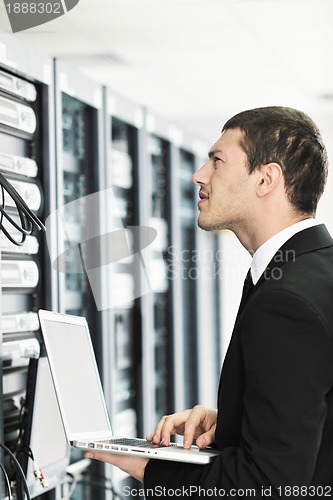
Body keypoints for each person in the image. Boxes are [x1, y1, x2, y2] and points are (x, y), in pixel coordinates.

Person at [85, 106, 333, 499]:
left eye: (217, 161)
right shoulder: (315, 270)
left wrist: (150, 470)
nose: (199, 174)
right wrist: (235, 421)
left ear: (266, 179)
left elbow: (270, 484)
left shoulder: (286, 301)